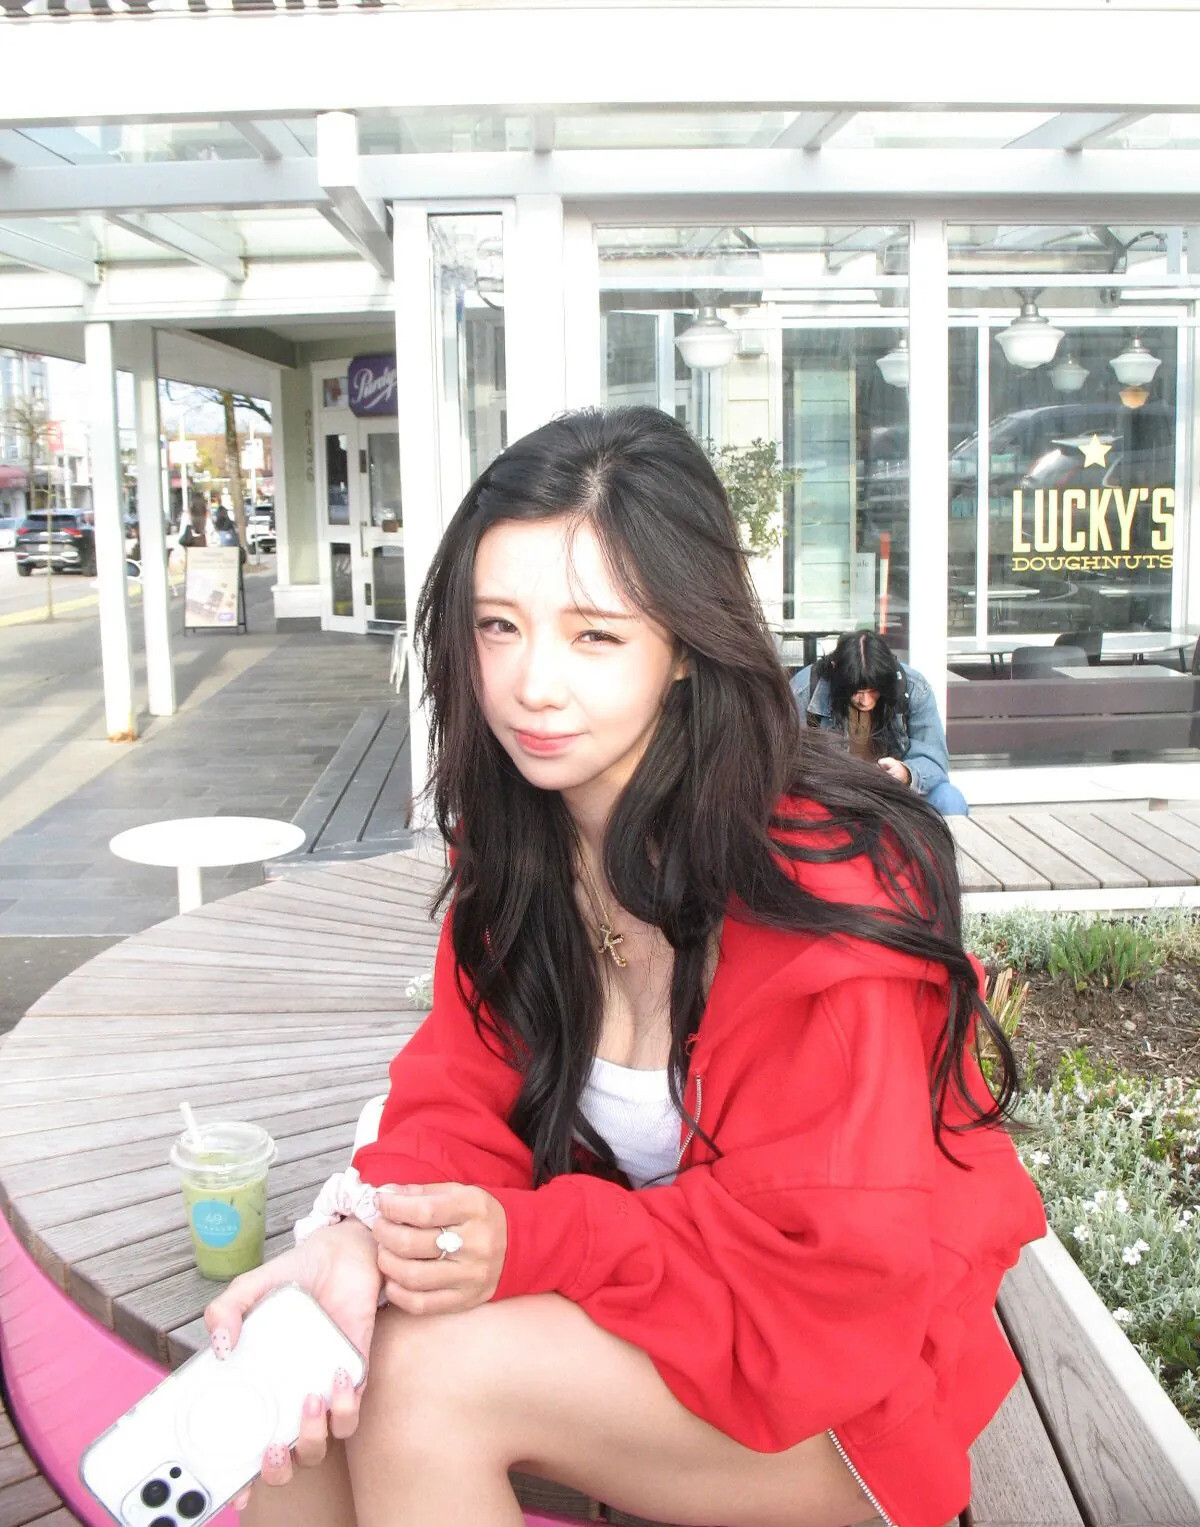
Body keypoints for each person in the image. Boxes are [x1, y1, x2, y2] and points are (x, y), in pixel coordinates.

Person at [204, 407, 1044, 1527]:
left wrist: (528, 1242)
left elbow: (827, 1269)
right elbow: (457, 1094)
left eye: (593, 635)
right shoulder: (526, 849)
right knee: (314, 1373)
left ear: (685, 643)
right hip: (664, 1315)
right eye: (499, 626)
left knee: (419, 1385)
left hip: (840, 1386)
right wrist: (367, 1239)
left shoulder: (824, 887)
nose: (531, 684)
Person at [792, 631, 970, 817]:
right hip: (832, 797)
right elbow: (790, 765)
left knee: (949, 799)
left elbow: (935, 762)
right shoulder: (803, 690)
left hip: (895, 797)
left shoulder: (913, 687)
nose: (866, 701)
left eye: (874, 691)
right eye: (857, 692)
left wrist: (906, 773)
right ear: (836, 673)